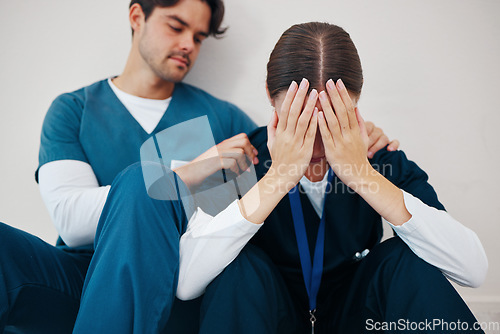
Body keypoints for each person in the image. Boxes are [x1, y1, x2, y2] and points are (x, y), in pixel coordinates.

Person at [0, 1, 396, 333]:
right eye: (177, 26)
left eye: (199, 37)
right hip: (79, 277)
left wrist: (354, 136)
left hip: (174, 287)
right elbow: (70, 220)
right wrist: (184, 173)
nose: (188, 44)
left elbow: (288, 160)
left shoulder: (223, 120)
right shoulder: (73, 110)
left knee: (146, 186)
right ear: (137, 17)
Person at [83, 22, 488, 333]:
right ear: (269, 97)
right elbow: (187, 283)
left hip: (355, 315)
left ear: (356, 106)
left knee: (406, 258)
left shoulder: (377, 157)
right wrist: (278, 177)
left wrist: (363, 175)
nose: (317, 142)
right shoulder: (240, 157)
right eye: (299, 121)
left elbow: (473, 269)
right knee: (237, 267)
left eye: (332, 121)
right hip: (267, 315)